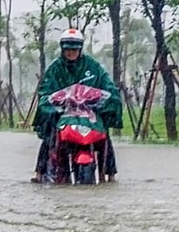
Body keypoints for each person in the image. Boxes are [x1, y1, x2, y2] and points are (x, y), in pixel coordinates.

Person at [31, 28, 123, 183]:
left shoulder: (93, 67)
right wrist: (54, 101)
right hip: (63, 116)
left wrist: (107, 98)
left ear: (80, 49)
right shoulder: (55, 69)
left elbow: (108, 87)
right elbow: (45, 91)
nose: (71, 52)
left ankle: (109, 172)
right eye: (67, 48)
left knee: (104, 135)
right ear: (62, 49)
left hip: (90, 115)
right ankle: (40, 172)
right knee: (50, 136)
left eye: (74, 48)